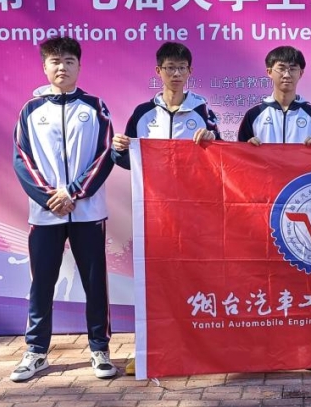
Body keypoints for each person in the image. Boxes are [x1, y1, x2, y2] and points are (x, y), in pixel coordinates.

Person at [11, 37, 116, 382]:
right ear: (45, 67)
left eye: (69, 61)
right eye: (55, 61)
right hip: (45, 214)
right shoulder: (30, 110)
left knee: (94, 284)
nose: (62, 67)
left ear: (79, 66)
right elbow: (22, 159)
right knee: (42, 283)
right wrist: (50, 197)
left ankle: (99, 349)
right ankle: (36, 351)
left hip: (87, 212)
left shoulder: (95, 106)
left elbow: (105, 154)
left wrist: (73, 193)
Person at [111, 42, 219, 375]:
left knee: (192, 280)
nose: (175, 74)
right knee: (151, 283)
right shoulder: (143, 113)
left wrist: (211, 142)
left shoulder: (203, 112)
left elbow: (220, 160)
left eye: (181, 68)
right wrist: (118, 149)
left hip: (192, 212)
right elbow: (127, 160)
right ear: (158, 71)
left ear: (190, 72)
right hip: (152, 212)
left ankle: (196, 349)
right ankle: (146, 351)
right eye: (169, 67)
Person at [237, 46, 311, 145]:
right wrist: (249, 147)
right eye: (281, 69)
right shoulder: (253, 114)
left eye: (292, 69)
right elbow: (240, 152)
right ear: (269, 72)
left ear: (301, 73)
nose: (287, 75)